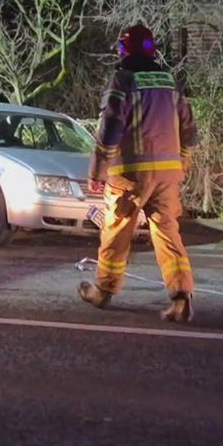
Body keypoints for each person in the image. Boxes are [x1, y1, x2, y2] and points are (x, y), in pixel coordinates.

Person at [78, 24, 199, 323]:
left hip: (130, 174)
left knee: (116, 231)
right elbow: (189, 129)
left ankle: (104, 290)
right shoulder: (170, 83)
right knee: (168, 234)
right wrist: (183, 160)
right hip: (167, 175)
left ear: (125, 50)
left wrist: (97, 169)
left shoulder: (123, 80)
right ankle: (181, 297)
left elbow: (110, 127)